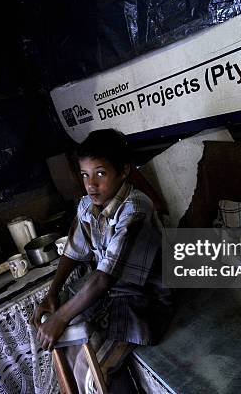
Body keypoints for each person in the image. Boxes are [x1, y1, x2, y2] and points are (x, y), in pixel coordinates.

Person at [32, 129, 173, 393]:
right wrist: (53, 293)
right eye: (85, 175)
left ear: (123, 171)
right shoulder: (87, 205)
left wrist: (61, 316)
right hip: (107, 296)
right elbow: (73, 251)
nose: (91, 184)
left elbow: (104, 277)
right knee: (68, 353)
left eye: (100, 173)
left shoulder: (136, 208)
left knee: (94, 371)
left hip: (142, 299)